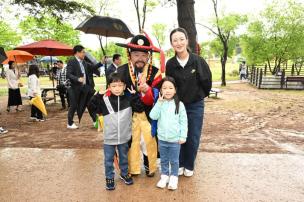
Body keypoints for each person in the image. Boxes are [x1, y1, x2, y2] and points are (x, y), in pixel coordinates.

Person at [166, 28, 212, 177]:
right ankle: (179, 163)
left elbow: (207, 83)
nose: (178, 43)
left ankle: (189, 164)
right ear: (172, 44)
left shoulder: (198, 61)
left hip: (195, 106)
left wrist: (198, 96)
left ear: (187, 40)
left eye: (181, 39)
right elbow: (169, 85)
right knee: (178, 135)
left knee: (192, 136)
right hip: (177, 105)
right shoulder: (170, 64)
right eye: (175, 40)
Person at [116, 34, 163, 177]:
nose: (140, 58)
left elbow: (161, 95)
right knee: (131, 142)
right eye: (136, 54)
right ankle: (133, 168)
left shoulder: (155, 73)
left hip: (149, 115)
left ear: (148, 56)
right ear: (130, 55)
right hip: (129, 116)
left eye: (144, 55)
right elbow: (115, 94)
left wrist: (148, 92)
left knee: (148, 141)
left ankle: (150, 167)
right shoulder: (120, 71)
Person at [88, 73, 137, 190]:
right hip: (109, 137)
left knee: (124, 157)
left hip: (124, 136)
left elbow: (139, 107)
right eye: (114, 86)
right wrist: (97, 96)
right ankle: (109, 177)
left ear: (124, 86)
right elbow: (91, 107)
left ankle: (124, 173)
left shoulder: (129, 99)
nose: (117, 88)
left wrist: (135, 96)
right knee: (108, 159)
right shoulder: (105, 100)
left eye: (120, 85)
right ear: (109, 87)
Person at [150, 76, 188, 190]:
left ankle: (174, 177)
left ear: (175, 90)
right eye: (164, 88)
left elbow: (183, 121)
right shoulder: (159, 103)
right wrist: (159, 103)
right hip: (162, 139)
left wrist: (183, 136)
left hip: (175, 139)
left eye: (170, 88)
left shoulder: (179, 104)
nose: (167, 90)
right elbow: (153, 116)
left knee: (175, 160)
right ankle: (164, 176)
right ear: (161, 90)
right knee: (164, 159)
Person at [66, 45, 102, 129]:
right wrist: (77, 79)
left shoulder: (84, 62)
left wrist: (101, 62)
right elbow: (68, 74)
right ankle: (70, 123)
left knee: (90, 103)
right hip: (74, 87)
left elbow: (93, 67)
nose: (84, 54)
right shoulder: (72, 61)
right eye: (83, 52)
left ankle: (95, 121)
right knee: (74, 105)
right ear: (77, 53)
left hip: (85, 87)